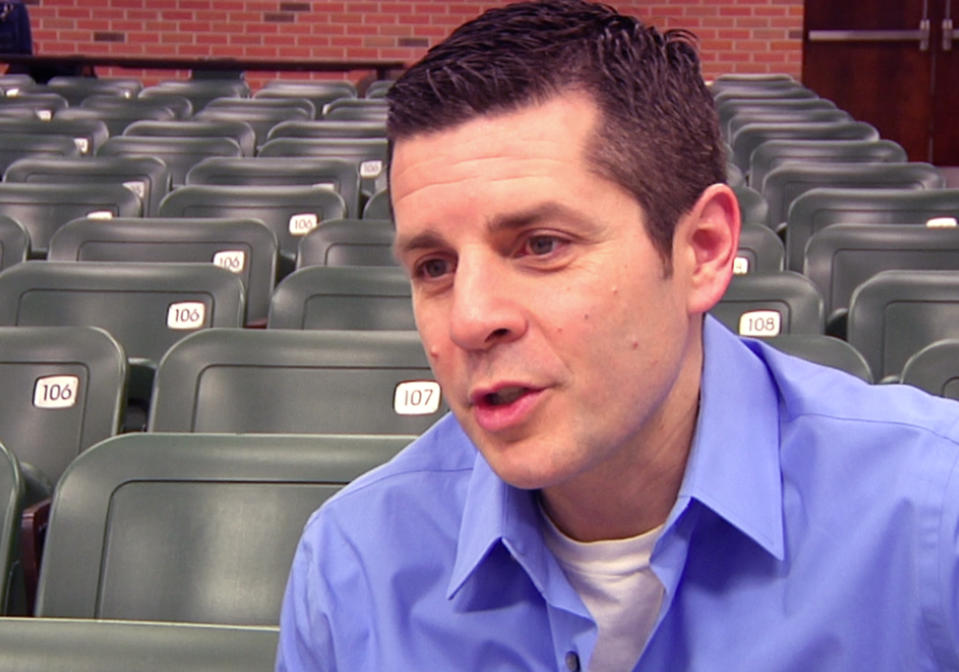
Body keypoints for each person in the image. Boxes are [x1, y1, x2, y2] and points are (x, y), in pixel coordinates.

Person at [276, 1, 959, 669]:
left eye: (541, 245)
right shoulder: (353, 566)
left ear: (703, 250)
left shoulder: (933, 516)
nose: (469, 319)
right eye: (434, 267)